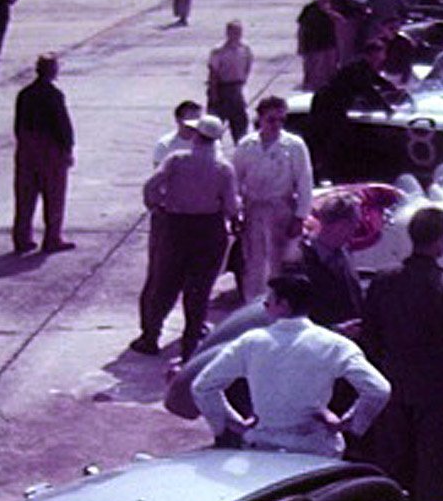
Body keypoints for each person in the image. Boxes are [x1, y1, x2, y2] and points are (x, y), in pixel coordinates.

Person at [361, 205, 443, 501]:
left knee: (392, 458)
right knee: (432, 464)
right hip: (433, 386)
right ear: (440, 242)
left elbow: (369, 331)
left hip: (392, 380)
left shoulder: (384, 279)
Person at [192, 271, 389, 457]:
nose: (265, 308)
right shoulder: (335, 345)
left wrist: (232, 422)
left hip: (263, 446)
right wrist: (350, 423)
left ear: (283, 305)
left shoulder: (251, 343)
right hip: (316, 447)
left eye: (268, 303)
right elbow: (378, 389)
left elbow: (202, 387)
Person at [136, 114, 240, 362]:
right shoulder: (223, 168)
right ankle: (190, 345)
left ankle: (150, 336)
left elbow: (150, 187)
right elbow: (231, 207)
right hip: (208, 229)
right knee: (199, 289)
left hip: (176, 226)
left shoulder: (176, 160)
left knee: (165, 284)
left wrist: (157, 205)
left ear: (196, 136)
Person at [232, 95, 314, 302]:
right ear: (260, 118)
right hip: (254, 209)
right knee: (253, 261)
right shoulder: (246, 145)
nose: (276, 125)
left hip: (281, 208)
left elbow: (304, 181)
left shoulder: (294, 145)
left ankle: (279, 304)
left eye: (281, 120)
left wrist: (300, 217)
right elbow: (234, 179)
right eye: (271, 120)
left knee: (280, 261)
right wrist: (235, 212)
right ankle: (252, 304)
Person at [308, 38, 403, 181]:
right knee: (329, 140)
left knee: (337, 139)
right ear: (368, 55)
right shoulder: (357, 68)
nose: (380, 59)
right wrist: (387, 109)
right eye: (376, 56)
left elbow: (378, 81)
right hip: (327, 105)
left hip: (338, 106)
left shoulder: (366, 67)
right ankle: (325, 174)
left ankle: (333, 170)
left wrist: (395, 90)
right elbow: (368, 90)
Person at [11, 53, 75, 255]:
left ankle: (22, 238)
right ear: (52, 71)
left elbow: (17, 125)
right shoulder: (54, 95)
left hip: (27, 148)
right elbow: (62, 126)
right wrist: (67, 149)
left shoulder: (24, 93)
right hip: (50, 150)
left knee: (25, 196)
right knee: (54, 195)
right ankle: (52, 238)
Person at [297, 193, 364, 334]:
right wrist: (336, 329)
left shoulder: (344, 254)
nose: (356, 228)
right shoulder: (301, 261)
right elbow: (296, 314)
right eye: (353, 223)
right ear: (338, 224)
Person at [206, 20, 254, 144]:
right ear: (227, 33)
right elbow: (213, 73)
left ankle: (240, 148)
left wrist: (242, 82)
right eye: (233, 32)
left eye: (239, 32)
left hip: (236, 89)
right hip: (221, 88)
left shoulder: (245, 49)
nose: (236, 35)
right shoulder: (218, 51)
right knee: (215, 125)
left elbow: (248, 65)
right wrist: (214, 95)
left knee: (240, 123)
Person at [296, 0, 340, 92]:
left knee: (330, 72)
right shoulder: (309, 9)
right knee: (312, 73)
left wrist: (329, 12)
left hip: (329, 45)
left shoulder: (335, 8)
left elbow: (342, 22)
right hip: (312, 45)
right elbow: (301, 27)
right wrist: (300, 45)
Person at [154, 99, 205, 167]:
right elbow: (158, 172)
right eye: (191, 118)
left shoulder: (208, 144)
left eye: (198, 119)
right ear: (178, 120)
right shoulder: (165, 145)